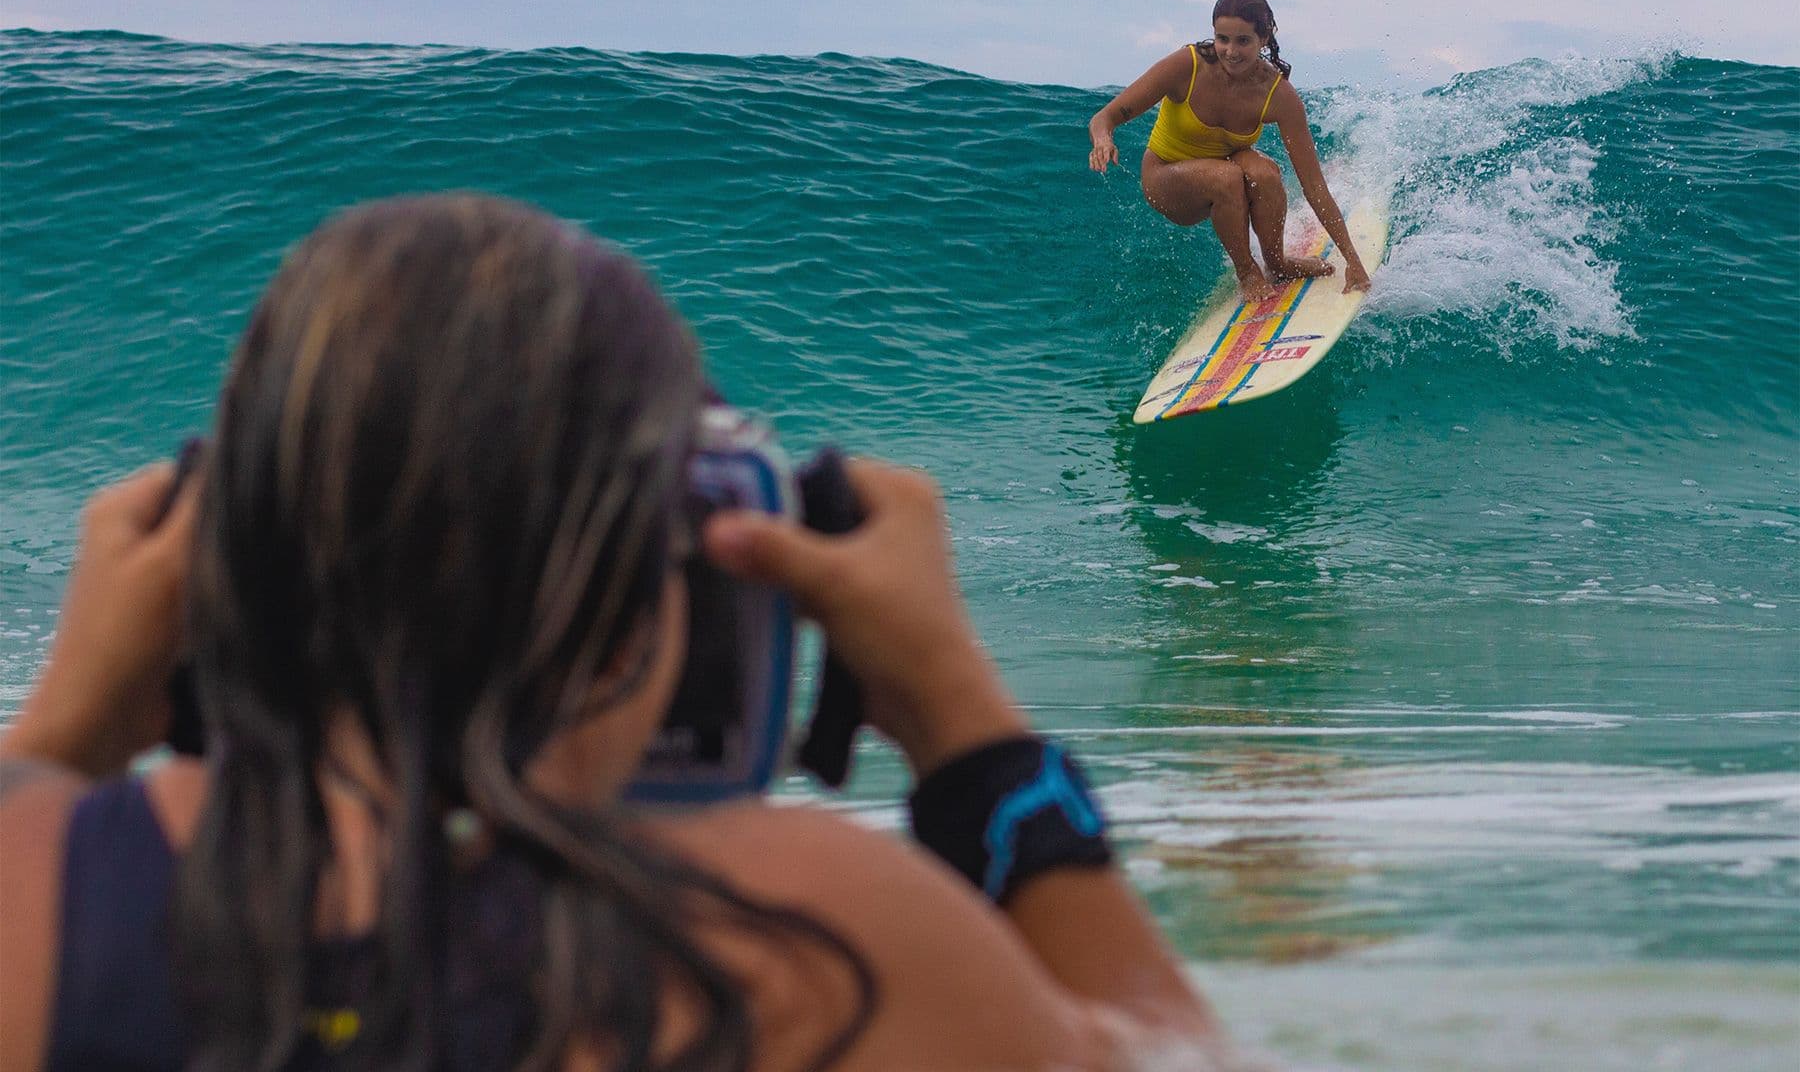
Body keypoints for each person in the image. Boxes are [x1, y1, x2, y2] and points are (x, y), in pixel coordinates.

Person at [0, 194, 1230, 1071]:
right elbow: (1184, 1056)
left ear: (205, 567)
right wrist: (969, 728)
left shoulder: (35, 901)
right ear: (661, 585)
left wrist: (65, 734)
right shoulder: (805, 940)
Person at [1088, 0, 1372, 302]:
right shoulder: (1188, 66)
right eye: (1223, 39)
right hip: (1165, 178)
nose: (1230, 51)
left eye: (1243, 41)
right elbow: (1105, 117)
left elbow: (1314, 186)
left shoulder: (1278, 95)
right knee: (1226, 177)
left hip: (1223, 179)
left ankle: (1277, 264)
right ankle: (1247, 272)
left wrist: (1352, 259)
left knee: (1264, 172)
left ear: (1263, 39)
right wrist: (1103, 140)